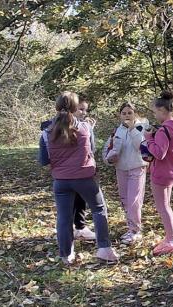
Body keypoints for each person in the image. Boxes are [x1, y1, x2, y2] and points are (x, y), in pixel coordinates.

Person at [44, 91, 118, 264]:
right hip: (85, 177)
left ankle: (66, 254)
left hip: (61, 180)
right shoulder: (85, 127)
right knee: (99, 209)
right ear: (75, 108)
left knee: (63, 216)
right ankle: (104, 249)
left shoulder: (47, 131)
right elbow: (91, 149)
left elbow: (43, 159)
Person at [39, 99, 96, 242]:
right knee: (70, 210)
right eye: (81, 109)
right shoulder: (52, 129)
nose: (84, 113)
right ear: (71, 109)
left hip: (71, 175)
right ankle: (70, 237)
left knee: (79, 200)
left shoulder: (83, 127)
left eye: (85, 110)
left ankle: (79, 228)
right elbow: (45, 158)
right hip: (71, 175)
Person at [143, 90, 173, 256]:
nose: (155, 116)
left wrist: (148, 138)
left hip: (161, 173)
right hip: (172, 171)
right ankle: (170, 236)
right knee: (166, 205)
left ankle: (172, 239)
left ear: (162, 111)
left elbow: (159, 153)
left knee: (163, 207)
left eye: (155, 112)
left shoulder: (163, 130)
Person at [103, 102, 148, 244]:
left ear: (135, 114)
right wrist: (109, 159)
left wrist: (132, 129)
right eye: (124, 113)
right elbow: (107, 150)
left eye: (130, 113)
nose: (127, 116)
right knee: (125, 200)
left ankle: (136, 231)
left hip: (137, 167)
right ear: (120, 115)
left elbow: (141, 147)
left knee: (134, 201)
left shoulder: (142, 127)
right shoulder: (117, 131)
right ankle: (131, 228)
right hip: (121, 168)